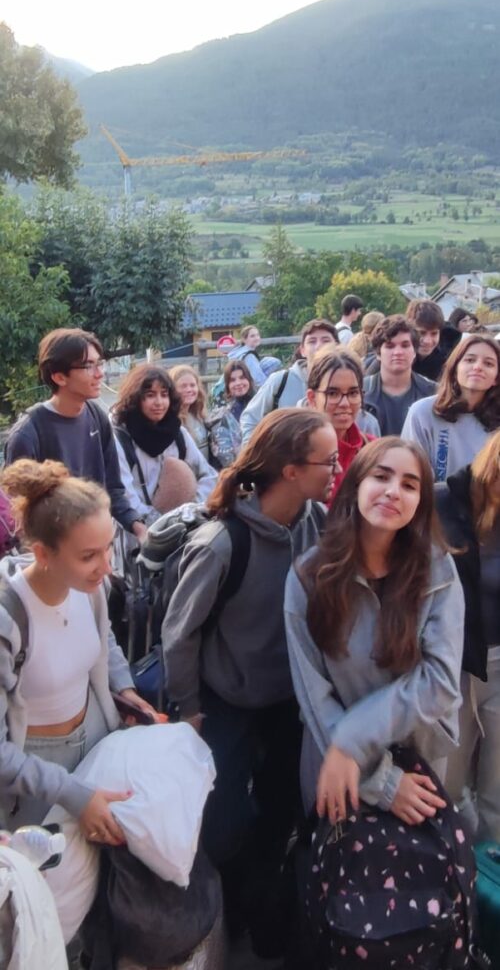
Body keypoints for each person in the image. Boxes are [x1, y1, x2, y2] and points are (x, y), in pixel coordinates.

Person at [161, 408, 340, 956]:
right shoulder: (222, 543)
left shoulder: (317, 522)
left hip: (290, 701)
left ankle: (262, 913)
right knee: (223, 825)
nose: (337, 469)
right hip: (225, 703)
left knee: (282, 812)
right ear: (290, 469)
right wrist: (189, 708)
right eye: (328, 460)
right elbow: (179, 634)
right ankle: (228, 905)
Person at [284, 436, 464, 829]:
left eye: (409, 485)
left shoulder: (438, 570)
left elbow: (441, 682)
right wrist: (381, 782)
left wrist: (355, 737)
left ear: (421, 502)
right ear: (356, 484)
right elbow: (314, 697)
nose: (393, 491)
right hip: (339, 769)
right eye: (381, 476)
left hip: (419, 762)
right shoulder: (309, 577)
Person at [0, 458, 158, 837]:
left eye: (108, 549)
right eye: (88, 556)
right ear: (43, 554)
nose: (106, 567)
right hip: (36, 775)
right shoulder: (9, 619)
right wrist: (74, 795)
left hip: (98, 736)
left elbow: (104, 639)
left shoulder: (90, 589)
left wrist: (125, 690)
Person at [5, 328, 147, 543]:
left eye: (99, 363)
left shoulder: (96, 416)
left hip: (98, 541)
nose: (100, 373)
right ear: (59, 377)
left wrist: (139, 527)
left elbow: (113, 490)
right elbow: (17, 516)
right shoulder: (27, 434)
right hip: (53, 551)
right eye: (89, 366)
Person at [435, 432, 500, 840]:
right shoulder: (443, 502)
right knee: (450, 784)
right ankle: (457, 864)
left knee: (497, 791)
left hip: (499, 659)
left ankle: (490, 868)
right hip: (453, 663)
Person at [111, 365, 218, 525]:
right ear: (135, 398)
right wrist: (159, 523)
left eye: (164, 394)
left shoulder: (177, 433)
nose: (159, 402)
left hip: (182, 527)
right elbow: (124, 497)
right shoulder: (120, 438)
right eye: (150, 395)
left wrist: (189, 510)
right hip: (136, 531)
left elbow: (209, 476)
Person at [402, 334, 500, 480]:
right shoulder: (422, 412)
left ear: (496, 378)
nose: (478, 367)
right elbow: (411, 472)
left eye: (488, 364)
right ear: (455, 369)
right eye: (470, 360)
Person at [240, 318, 339, 443]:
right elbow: (250, 419)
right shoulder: (280, 381)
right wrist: (252, 451)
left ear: (337, 346)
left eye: (326, 340)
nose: (319, 346)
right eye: (312, 341)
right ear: (302, 350)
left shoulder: (349, 385)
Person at [306, 346, 377, 502]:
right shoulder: (297, 453)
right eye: (332, 393)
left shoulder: (373, 451)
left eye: (353, 393)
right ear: (312, 398)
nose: (345, 403)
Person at [363, 315, 436, 436]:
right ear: (378, 353)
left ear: (414, 351)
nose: (398, 352)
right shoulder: (360, 392)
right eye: (390, 346)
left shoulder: (433, 393)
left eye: (405, 345)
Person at [206, 361, 254, 469]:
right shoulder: (222, 418)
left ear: (249, 380)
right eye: (232, 380)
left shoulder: (261, 407)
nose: (238, 383)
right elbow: (224, 457)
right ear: (227, 385)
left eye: (242, 377)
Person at [170, 365, 210, 460]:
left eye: (192, 385)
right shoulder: (172, 421)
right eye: (183, 386)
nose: (189, 390)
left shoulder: (199, 415)